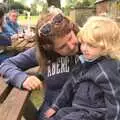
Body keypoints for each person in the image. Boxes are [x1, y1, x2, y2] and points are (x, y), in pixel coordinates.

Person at [0, 10, 80, 120]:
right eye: (62, 47)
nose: (71, 46)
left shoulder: (90, 44)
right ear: (49, 48)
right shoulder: (41, 53)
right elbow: (6, 64)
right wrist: (22, 79)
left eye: (70, 37)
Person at [45, 16, 120, 120]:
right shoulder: (84, 61)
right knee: (59, 115)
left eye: (91, 45)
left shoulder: (107, 70)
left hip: (95, 113)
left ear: (106, 47)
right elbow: (70, 84)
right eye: (83, 42)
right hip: (78, 109)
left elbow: (115, 102)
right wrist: (56, 106)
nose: (84, 48)